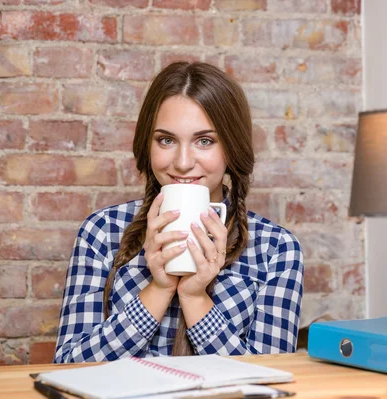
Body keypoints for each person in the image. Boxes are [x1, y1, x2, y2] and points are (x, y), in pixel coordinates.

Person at [54, 62, 304, 362]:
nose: (183, 162)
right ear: (147, 145)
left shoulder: (276, 248)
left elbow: (268, 382)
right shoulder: (103, 231)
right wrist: (159, 289)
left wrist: (194, 297)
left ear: (232, 148)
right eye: (167, 140)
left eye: (205, 141)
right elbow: (68, 367)